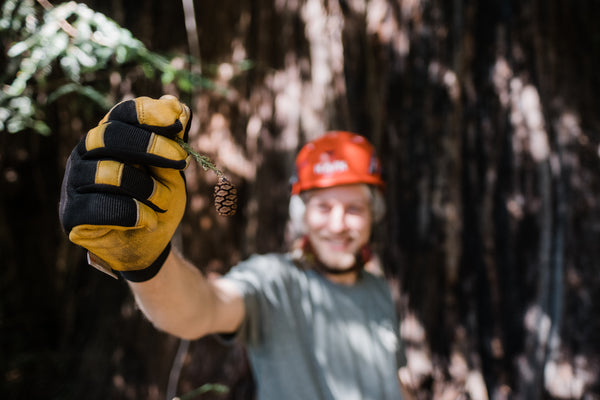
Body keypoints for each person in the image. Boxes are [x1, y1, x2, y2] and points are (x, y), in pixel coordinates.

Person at [59, 95, 409, 399]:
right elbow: (203, 308)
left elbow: (392, 384)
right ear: (301, 214)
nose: (337, 224)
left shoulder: (378, 291)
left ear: (372, 215)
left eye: (353, 209)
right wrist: (145, 261)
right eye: (323, 207)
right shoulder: (276, 282)